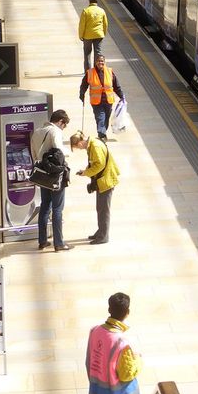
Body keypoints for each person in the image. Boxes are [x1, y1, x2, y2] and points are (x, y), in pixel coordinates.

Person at [86, 292, 141, 394]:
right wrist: (138, 361)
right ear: (128, 312)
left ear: (109, 309)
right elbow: (127, 374)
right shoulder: (122, 343)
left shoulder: (94, 331)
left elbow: (89, 361)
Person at [31, 109, 72, 251]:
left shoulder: (37, 132)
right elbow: (59, 150)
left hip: (42, 174)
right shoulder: (55, 132)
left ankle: (42, 241)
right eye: (64, 125)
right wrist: (69, 152)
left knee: (44, 206)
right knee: (57, 208)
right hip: (55, 175)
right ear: (60, 121)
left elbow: (34, 154)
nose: (64, 128)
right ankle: (59, 243)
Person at [71, 131, 120, 244]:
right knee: (101, 208)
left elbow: (100, 164)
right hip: (102, 180)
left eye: (77, 147)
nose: (79, 149)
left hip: (106, 180)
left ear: (79, 143)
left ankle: (103, 236)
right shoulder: (92, 144)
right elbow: (95, 162)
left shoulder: (95, 146)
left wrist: (86, 173)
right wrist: (86, 170)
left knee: (104, 210)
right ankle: (101, 232)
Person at [79, 54, 124, 142]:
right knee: (100, 117)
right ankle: (101, 134)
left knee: (106, 118)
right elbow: (84, 85)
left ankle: (103, 132)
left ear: (104, 62)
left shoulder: (110, 72)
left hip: (108, 101)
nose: (100, 63)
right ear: (95, 62)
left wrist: (121, 96)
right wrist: (82, 94)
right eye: (99, 61)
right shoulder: (90, 72)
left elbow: (116, 85)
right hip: (97, 102)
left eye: (102, 61)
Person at [79, 0, 108, 72]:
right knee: (98, 53)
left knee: (87, 53)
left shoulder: (86, 11)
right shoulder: (102, 11)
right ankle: (97, 70)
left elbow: (82, 25)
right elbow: (105, 24)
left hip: (87, 36)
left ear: (89, 2)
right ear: (97, 2)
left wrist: (81, 35)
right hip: (99, 35)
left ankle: (88, 72)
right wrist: (103, 33)